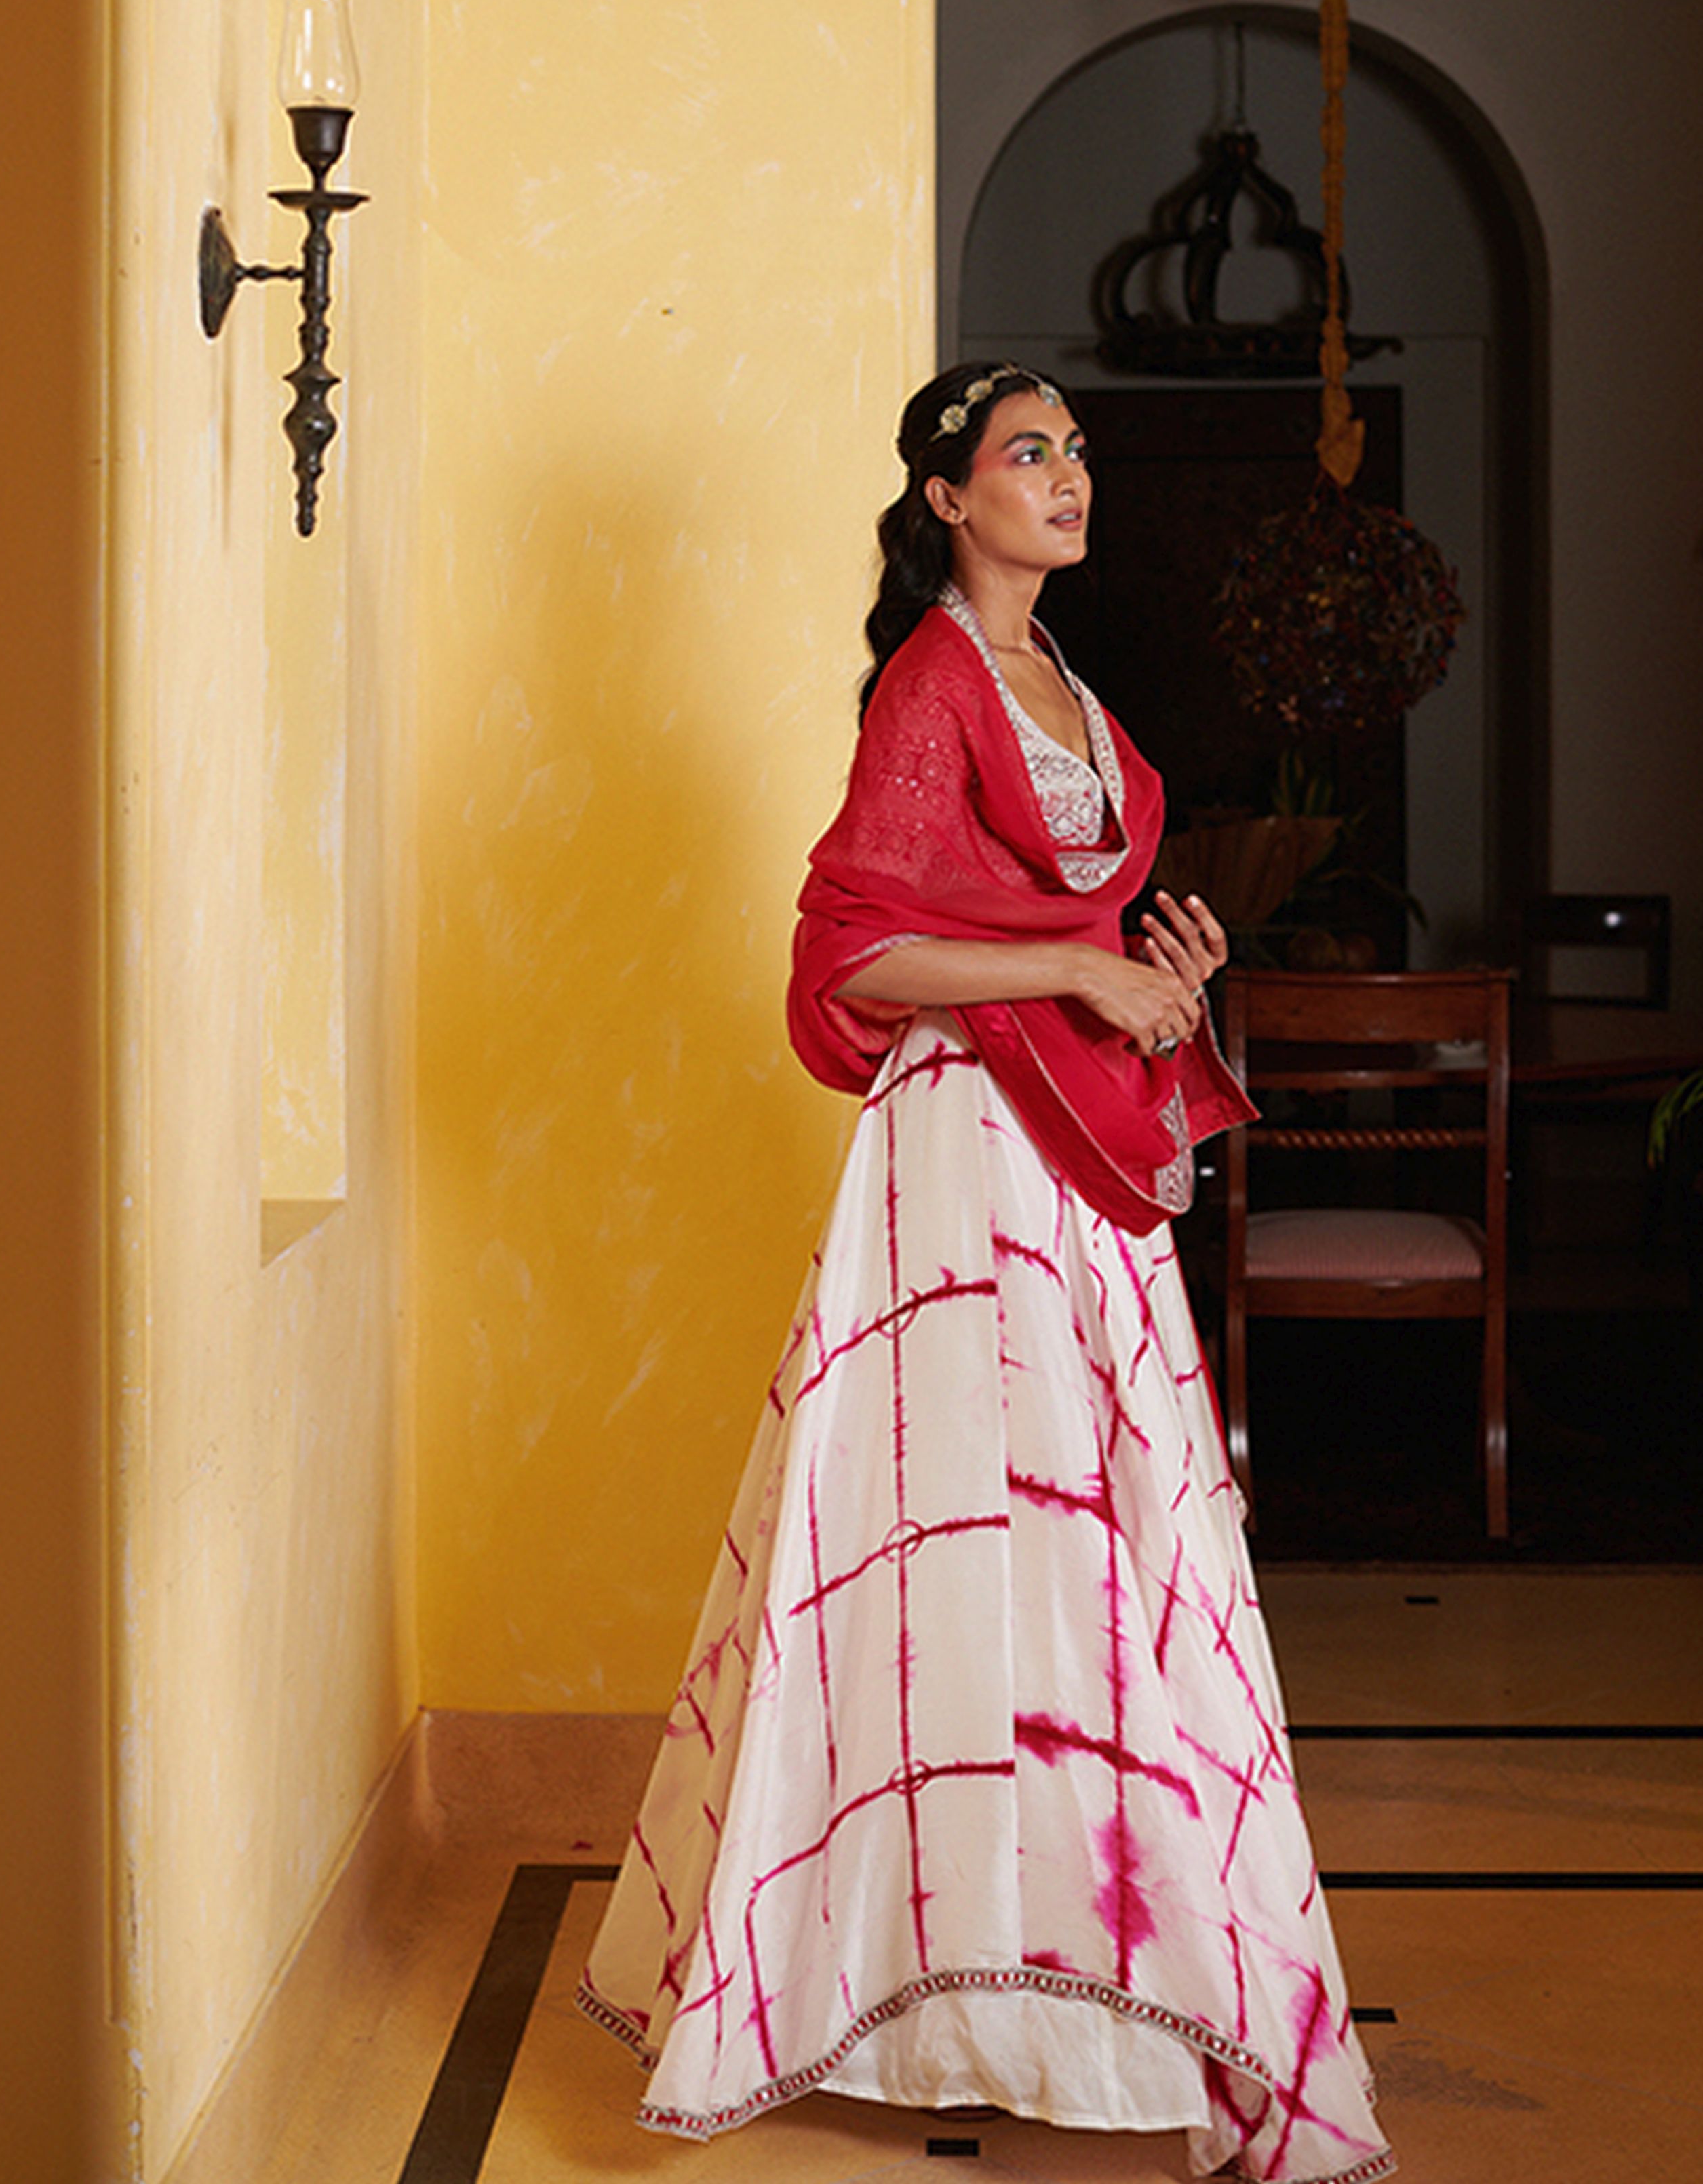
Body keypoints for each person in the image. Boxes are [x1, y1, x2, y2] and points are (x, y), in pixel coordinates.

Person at [577, 363, 1394, 2183]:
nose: (1068, 476)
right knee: (966, 1539)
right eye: (1029, 454)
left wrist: (1151, 969)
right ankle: (950, 1987)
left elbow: (1050, 925)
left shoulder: (1061, 682)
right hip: (961, 1162)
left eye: (1076, 450)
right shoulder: (933, 682)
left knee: (1103, 1543)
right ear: (948, 496)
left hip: (1062, 1151)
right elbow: (857, 959)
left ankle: (1101, 1985)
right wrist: (1077, 972)